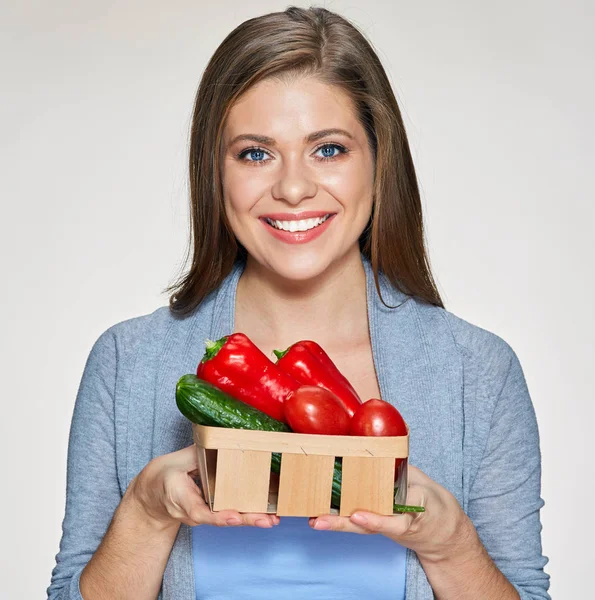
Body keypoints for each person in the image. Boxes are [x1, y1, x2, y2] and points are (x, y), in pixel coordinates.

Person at [47, 6, 550, 600]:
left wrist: (451, 544)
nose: (291, 187)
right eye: (255, 154)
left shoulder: (476, 373)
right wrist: (146, 512)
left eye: (329, 149)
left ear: (378, 164)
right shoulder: (128, 362)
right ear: (216, 173)